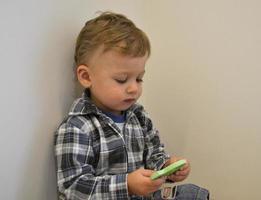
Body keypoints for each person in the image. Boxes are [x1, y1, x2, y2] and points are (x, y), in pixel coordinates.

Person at [54, 11, 209, 199]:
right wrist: (126, 185)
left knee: (193, 194)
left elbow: (154, 157)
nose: (134, 88)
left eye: (139, 78)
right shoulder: (77, 128)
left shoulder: (139, 117)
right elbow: (73, 187)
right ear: (86, 77)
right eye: (121, 80)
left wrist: (167, 167)